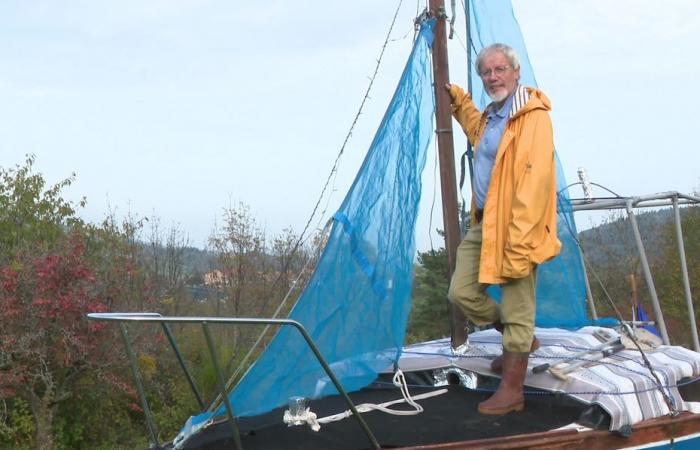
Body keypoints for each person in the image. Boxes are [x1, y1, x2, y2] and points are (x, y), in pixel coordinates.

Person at [445, 43, 561, 415]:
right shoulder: (495, 116)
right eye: (486, 73)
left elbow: (536, 178)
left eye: (499, 70)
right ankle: (518, 340)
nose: (493, 77)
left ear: (516, 71)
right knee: (461, 292)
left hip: (517, 226)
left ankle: (512, 390)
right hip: (486, 222)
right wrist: (458, 99)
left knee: (518, 305)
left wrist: (522, 236)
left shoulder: (533, 115)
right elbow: (477, 129)